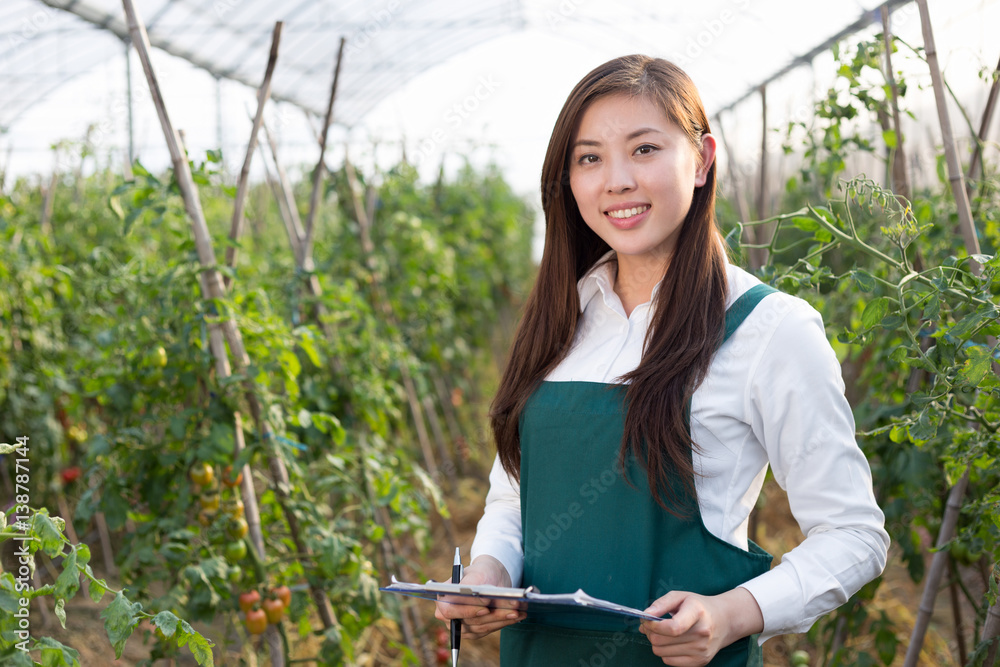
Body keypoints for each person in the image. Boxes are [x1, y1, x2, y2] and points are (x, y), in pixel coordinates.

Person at [435, 54, 888, 667]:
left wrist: (733, 613)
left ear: (701, 160)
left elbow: (855, 537)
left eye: (644, 149)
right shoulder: (560, 320)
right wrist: (488, 572)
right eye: (589, 157)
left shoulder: (769, 329)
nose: (616, 180)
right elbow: (516, 499)